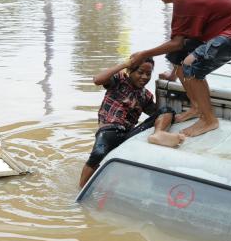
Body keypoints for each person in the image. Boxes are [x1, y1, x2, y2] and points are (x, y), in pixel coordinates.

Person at [130, 0, 231, 139]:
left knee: (192, 64)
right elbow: (179, 47)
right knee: (180, 57)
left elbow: (175, 42)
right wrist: (173, 75)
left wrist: (144, 54)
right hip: (230, 29)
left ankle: (209, 120)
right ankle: (196, 107)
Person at [78, 58, 184, 188]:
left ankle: (159, 133)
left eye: (148, 74)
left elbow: (158, 114)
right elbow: (97, 80)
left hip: (128, 135)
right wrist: (123, 64)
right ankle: (80, 190)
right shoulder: (119, 80)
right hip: (109, 130)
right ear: (130, 71)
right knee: (99, 153)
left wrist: (167, 82)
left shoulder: (145, 96)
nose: (145, 77)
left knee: (167, 110)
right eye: (140, 72)